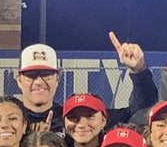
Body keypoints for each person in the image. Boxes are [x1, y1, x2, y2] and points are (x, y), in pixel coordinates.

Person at [14, 33, 155, 133]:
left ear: (58, 78)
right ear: (18, 79)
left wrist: (139, 71)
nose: (39, 82)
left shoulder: (78, 116)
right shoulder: (6, 121)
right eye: (31, 75)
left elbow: (139, 114)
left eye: (46, 75)